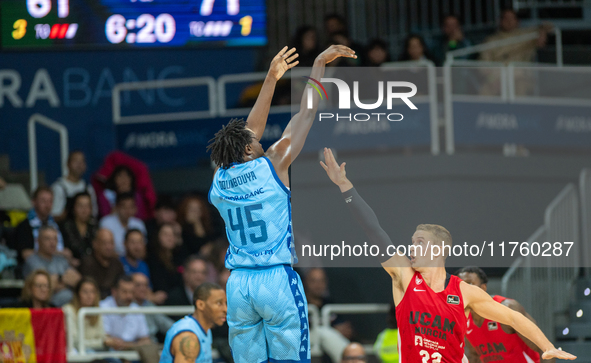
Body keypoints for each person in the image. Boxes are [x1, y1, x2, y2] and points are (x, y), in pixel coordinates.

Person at [319, 147, 576, 362]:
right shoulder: (405, 276)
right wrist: (346, 187)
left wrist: (547, 346)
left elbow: (514, 318)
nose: (411, 247)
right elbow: (374, 230)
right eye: (411, 242)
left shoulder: (463, 291)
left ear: (439, 249)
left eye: (419, 242)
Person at [208, 44, 356, 363]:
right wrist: (318, 64)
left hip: (237, 284)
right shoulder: (272, 164)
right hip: (273, 278)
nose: (260, 139)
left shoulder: (219, 178)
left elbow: (246, 133)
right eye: (255, 142)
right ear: (248, 151)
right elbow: (307, 111)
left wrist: (273, 79)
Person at [457, 266, 543, 363]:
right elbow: (474, 356)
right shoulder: (463, 319)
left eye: (469, 283)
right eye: (460, 284)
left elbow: (543, 349)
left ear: (483, 288)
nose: (464, 288)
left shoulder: (507, 308)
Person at [159, 282, 227, 363]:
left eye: (225, 303)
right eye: (219, 303)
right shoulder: (188, 336)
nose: (225, 309)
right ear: (200, 305)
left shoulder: (206, 329)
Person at [23, 225, 81, 306]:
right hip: (46, 305)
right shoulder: (32, 261)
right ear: (38, 241)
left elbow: (77, 280)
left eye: (55, 239)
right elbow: (45, 286)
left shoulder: (61, 259)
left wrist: (57, 280)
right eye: (47, 239)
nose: (52, 242)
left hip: (69, 305)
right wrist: (63, 280)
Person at [14, 186, 69, 264]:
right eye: (43, 201)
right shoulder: (24, 226)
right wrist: (54, 253)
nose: (47, 205)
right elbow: (25, 254)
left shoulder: (58, 225)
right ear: (34, 202)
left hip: (59, 264)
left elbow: (67, 252)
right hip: (35, 267)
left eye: (50, 201)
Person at [100, 275, 152, 350]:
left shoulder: (136, 309)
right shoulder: (103, 307)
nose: (129, 296)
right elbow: (106, 339)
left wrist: (126, 345)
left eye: (131, 292)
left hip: (133, 354)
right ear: (114, 291)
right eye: (124, 292)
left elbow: (146, 340)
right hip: (109, 354)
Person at [62, 278, 107, 353]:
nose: (89, 295)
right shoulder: (68, 310)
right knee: (90, 353)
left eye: (92, 292)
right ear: (77, 294)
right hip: (76, 351)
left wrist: (104, 342)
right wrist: (101, 343)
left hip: (96, 349)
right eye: (85, 292)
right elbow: (75, 341)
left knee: (114, 356)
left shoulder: (97, 311)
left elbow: (101, 336)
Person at [51, 150, 98, 220]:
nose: (79, 165)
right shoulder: (58, 187)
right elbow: (53, 216)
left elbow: (94, 213)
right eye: (76, 161)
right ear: (68, 164)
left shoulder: (88, 188)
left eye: (82, 161)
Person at [79, 228, 124, 299]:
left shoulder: (117, 264)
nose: (109, 247)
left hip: (114, 303)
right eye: (105, 243)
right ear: (95, 244)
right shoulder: (87, 263)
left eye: (111, 243)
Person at [99, 192, 147, 257]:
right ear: (117, 207)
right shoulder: (106, 222)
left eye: (131, 207)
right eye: (124, 207)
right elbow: (102, 249)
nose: (128, 210)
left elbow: (143, 250)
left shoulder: (139, 224)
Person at [132, 273, 174, 344]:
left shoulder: (149, 305)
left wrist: (183, 330)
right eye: (138, 285)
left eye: (145, 285)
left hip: (150, 345)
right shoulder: (125, 306)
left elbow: (165, 324)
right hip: (130, 345)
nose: (142, 289)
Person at [60, 192, 98, 264]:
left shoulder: (95, 226)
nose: (84, 210)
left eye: (87, 206)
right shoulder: (65, 227)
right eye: (80, 206)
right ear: (74, 208)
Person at [147, 223, 184, 295]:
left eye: (172, 235)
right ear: (158, 237)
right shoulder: (152, 259)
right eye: (166, 234)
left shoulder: (179, 258)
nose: (170, 238)